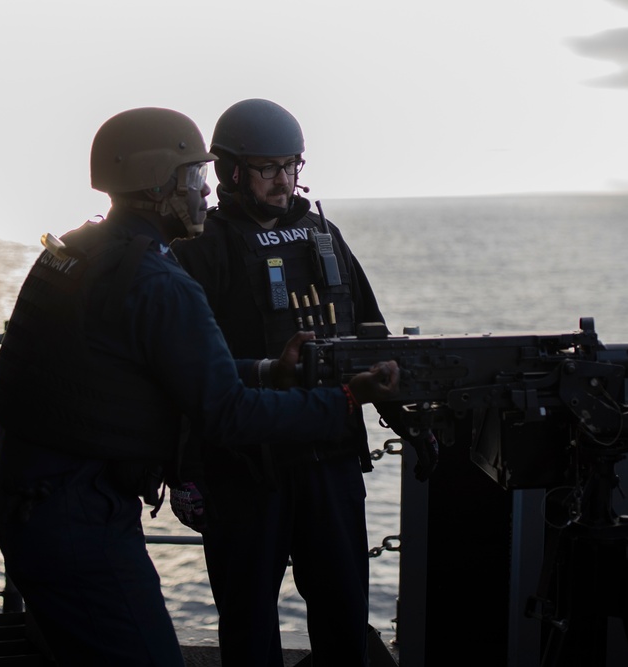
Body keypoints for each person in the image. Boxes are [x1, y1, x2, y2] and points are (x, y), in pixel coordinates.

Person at [0, 106, 399, 666]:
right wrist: (344, 400)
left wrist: (270, 372)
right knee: (218, 630)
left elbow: (160, 369)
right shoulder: (168, 269)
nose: (202, 192)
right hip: (165, 486)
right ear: (170, 183)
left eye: (289, 167)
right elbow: (219, 407)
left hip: (46, 491)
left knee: (340, 617)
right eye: (196, 178)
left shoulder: (81, 251)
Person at [170, 98, 435, 666]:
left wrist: (408, 417)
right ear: (231, 171)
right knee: (248, 620)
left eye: (292, 166)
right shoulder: (201, 250)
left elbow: (371, 330)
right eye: (268, 168)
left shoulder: (323, 235)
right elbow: (186, 374)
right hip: (245, 468)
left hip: (330, 457)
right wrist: (186, 470)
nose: (284, 180)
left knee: (342, 612)